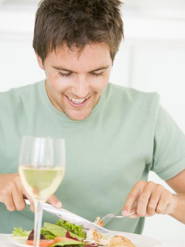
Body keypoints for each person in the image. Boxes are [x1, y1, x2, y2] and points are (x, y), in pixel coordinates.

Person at [0, 0, 185, 234]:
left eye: (97, 73)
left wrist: (172, 203)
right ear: (40, 59)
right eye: (65, 73)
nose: (81, 90)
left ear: (112, 60)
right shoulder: (4, 110)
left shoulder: (145, 114)